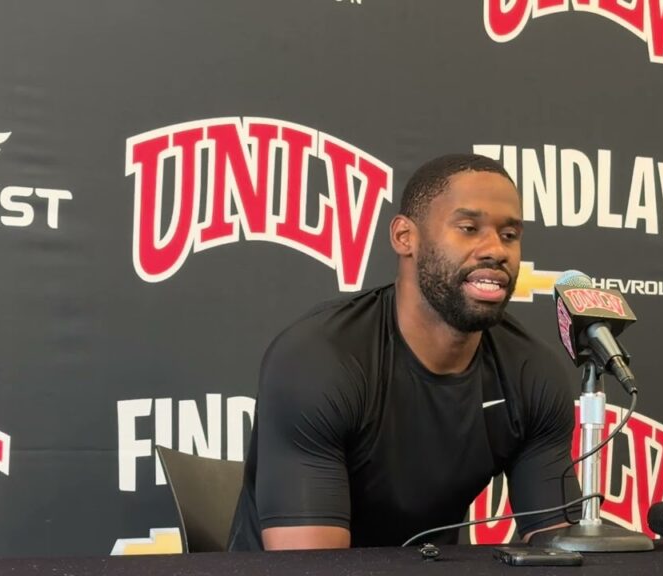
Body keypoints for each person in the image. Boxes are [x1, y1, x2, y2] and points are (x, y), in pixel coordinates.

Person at [228, 154, 580, 551]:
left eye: (510, 235)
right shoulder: (319, 359)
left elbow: (558, 548)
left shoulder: (531, 371)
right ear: (404, 237)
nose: (495, 250)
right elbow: (311, 566)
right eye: (468, 228)